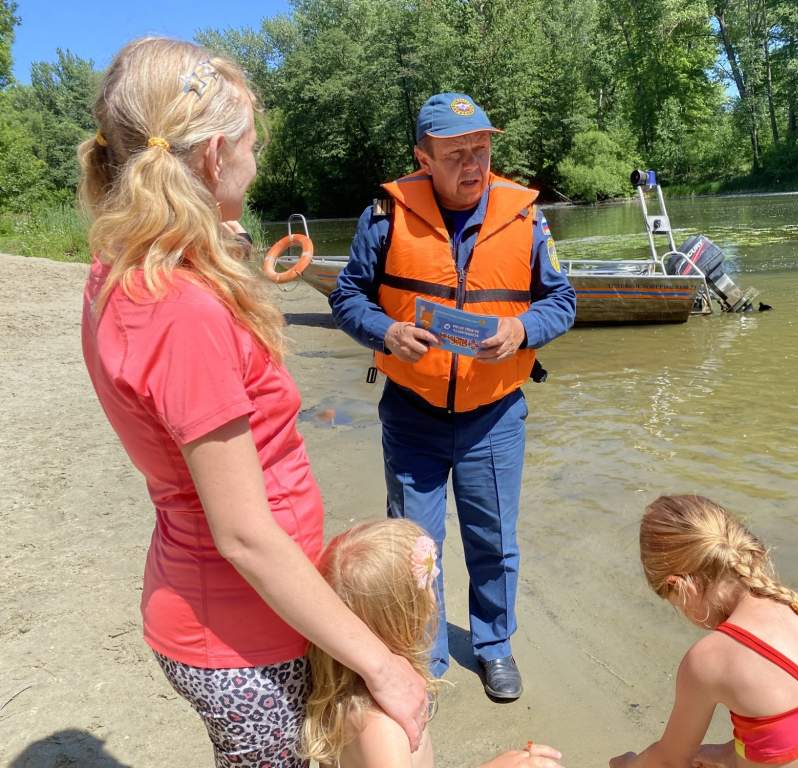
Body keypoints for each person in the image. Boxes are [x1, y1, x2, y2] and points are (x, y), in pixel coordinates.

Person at [78, 37, 427, 767]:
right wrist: (385, 665)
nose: (257, 159)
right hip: (240, 631)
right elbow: (244, 535)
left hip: (210, 600)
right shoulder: (182, 310)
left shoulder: (128, 267)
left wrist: (214, 242)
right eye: (251, 143)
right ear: (212, 160)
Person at [330, 92, 576, 699]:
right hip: (412, 415)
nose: (474, 163)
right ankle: (426, 652)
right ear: (423, 158)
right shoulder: (384, 217)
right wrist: (384, 331)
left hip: (494, 416)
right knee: (415, 547)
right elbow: (346, 296)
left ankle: (494, 646)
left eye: (482, 148)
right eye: (457, 152)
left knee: (494, 541)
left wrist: (520, 329)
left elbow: (562, 301)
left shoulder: (526, 217)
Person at [610, 496, 798, 768]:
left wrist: (627, 764)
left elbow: (669, 761)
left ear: (679, 585)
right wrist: (729, 754)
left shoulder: (710, 659)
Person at [302, 519, 564, 768]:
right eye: (428, 583)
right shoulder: (381, 728)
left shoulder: (357, 685)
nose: (433, 596)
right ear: (406, 616)